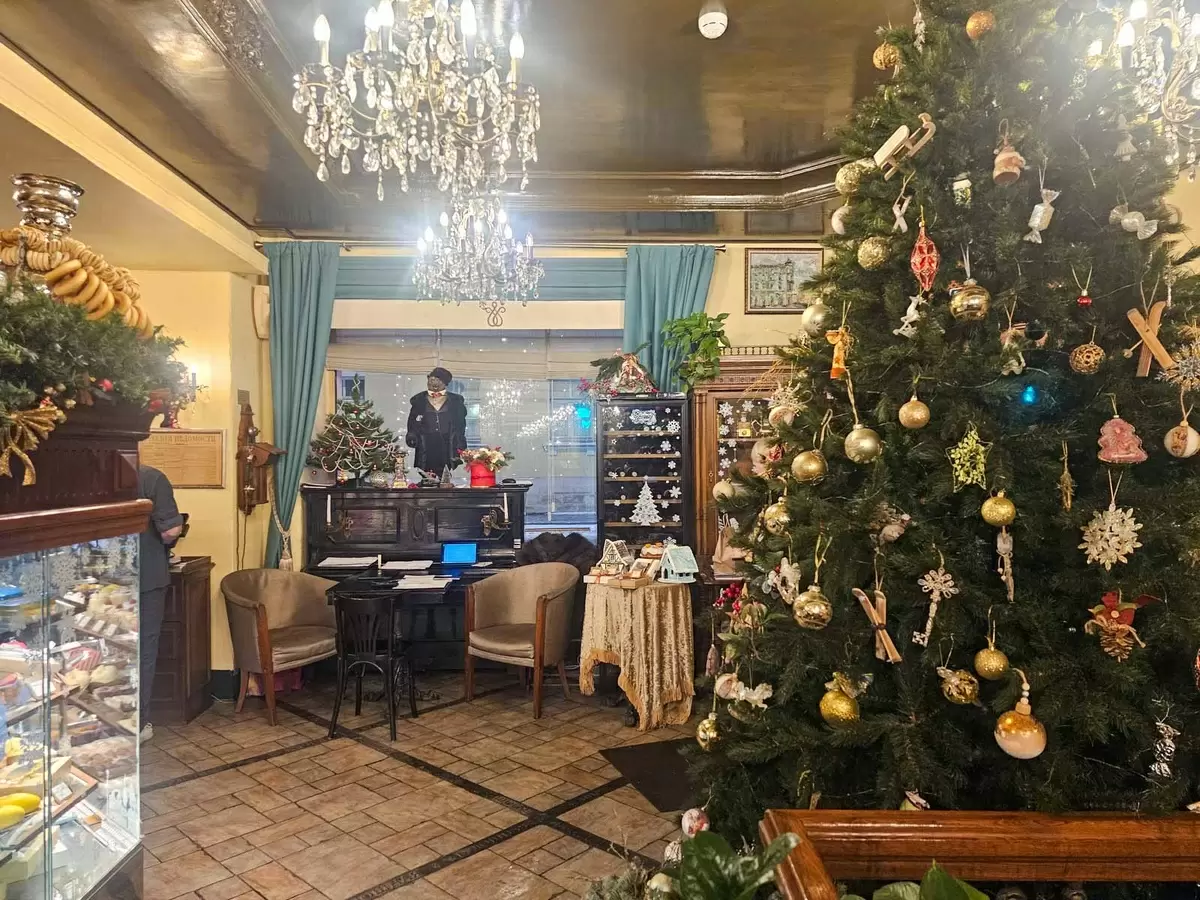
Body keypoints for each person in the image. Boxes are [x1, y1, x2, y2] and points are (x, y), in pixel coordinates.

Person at [138, 465, 184, 743]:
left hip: (96, 578)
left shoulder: (91, 473)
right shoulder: (151, 478)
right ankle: (138, 723)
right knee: (142, 650)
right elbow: (171, 531)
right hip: (146, 578)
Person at [405, 366, 467, 476]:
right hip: (426, 442)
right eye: (432, 379)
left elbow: (460, 424)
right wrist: (412, 435)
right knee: (425, 466)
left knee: (445, 468)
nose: (434, 383)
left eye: (438, 380)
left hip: (447, 442)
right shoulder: (418, 400)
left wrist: (460, 442)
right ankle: (427, 479)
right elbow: (412, 421)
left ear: (445, 383)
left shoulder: (456, 401)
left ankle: (445, 478)